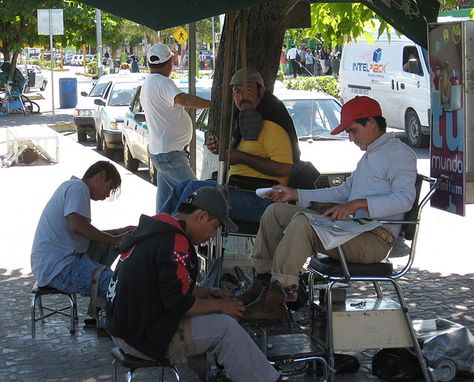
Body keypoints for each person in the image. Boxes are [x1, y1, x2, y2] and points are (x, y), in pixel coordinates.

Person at [241, 96, 417, 321]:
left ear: (371, 123)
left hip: (374, 240)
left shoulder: (398, 154)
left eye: (353, 131)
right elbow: (343, 192)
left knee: (303, 224)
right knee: (275, 212)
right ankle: (261, 283)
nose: (351, 138)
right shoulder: (371, 155)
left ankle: (278, 297)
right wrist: (296, 193)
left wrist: (358, 204)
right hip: (353, 230)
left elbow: (404, 200)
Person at [106, 187, 284, 382]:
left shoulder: (158, 229)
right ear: (202, 217)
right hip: (140, 339)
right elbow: (177, 303)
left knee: (212, 315)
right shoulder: (176, 241)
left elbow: (160, 288)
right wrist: (221, 306)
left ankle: (213, 375)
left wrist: (206, 292)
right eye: (215, 227)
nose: (212, 235)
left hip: (123, 329)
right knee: (225, 327)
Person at [159, 68, 300, 224]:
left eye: (248, 90)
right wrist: (223, 151)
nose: (243, 97)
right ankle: (155, 229)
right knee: (182, 187)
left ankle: (170, 233)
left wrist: (241, 157)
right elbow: (242, 157)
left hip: (263, 200)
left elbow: (285, 168)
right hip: (238, 187)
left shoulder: (272, 125)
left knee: (194, 191)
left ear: (261, 91)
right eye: (238, 92)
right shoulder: (245, 121)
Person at [31, 161, 134, 311]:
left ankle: (102, 310)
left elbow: (84, 232)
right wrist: (115, 239)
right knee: (116, 284)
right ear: (101, 176)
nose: (107, 195)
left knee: (111, 245)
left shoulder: (73, 187)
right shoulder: (78, 188)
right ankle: (113, 320)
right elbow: (77, 226)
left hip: (53, 262)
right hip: (59, 267)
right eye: (110, 187)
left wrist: (120, 232)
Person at [140, 44, 212, 211]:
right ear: (170, 62)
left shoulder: (149, 83)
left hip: (163, 152)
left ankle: (159, 232)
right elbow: (183, 100)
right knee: (197, 194)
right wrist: (212, 104)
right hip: (169, 154)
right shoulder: (162, 82)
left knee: (165, 207)